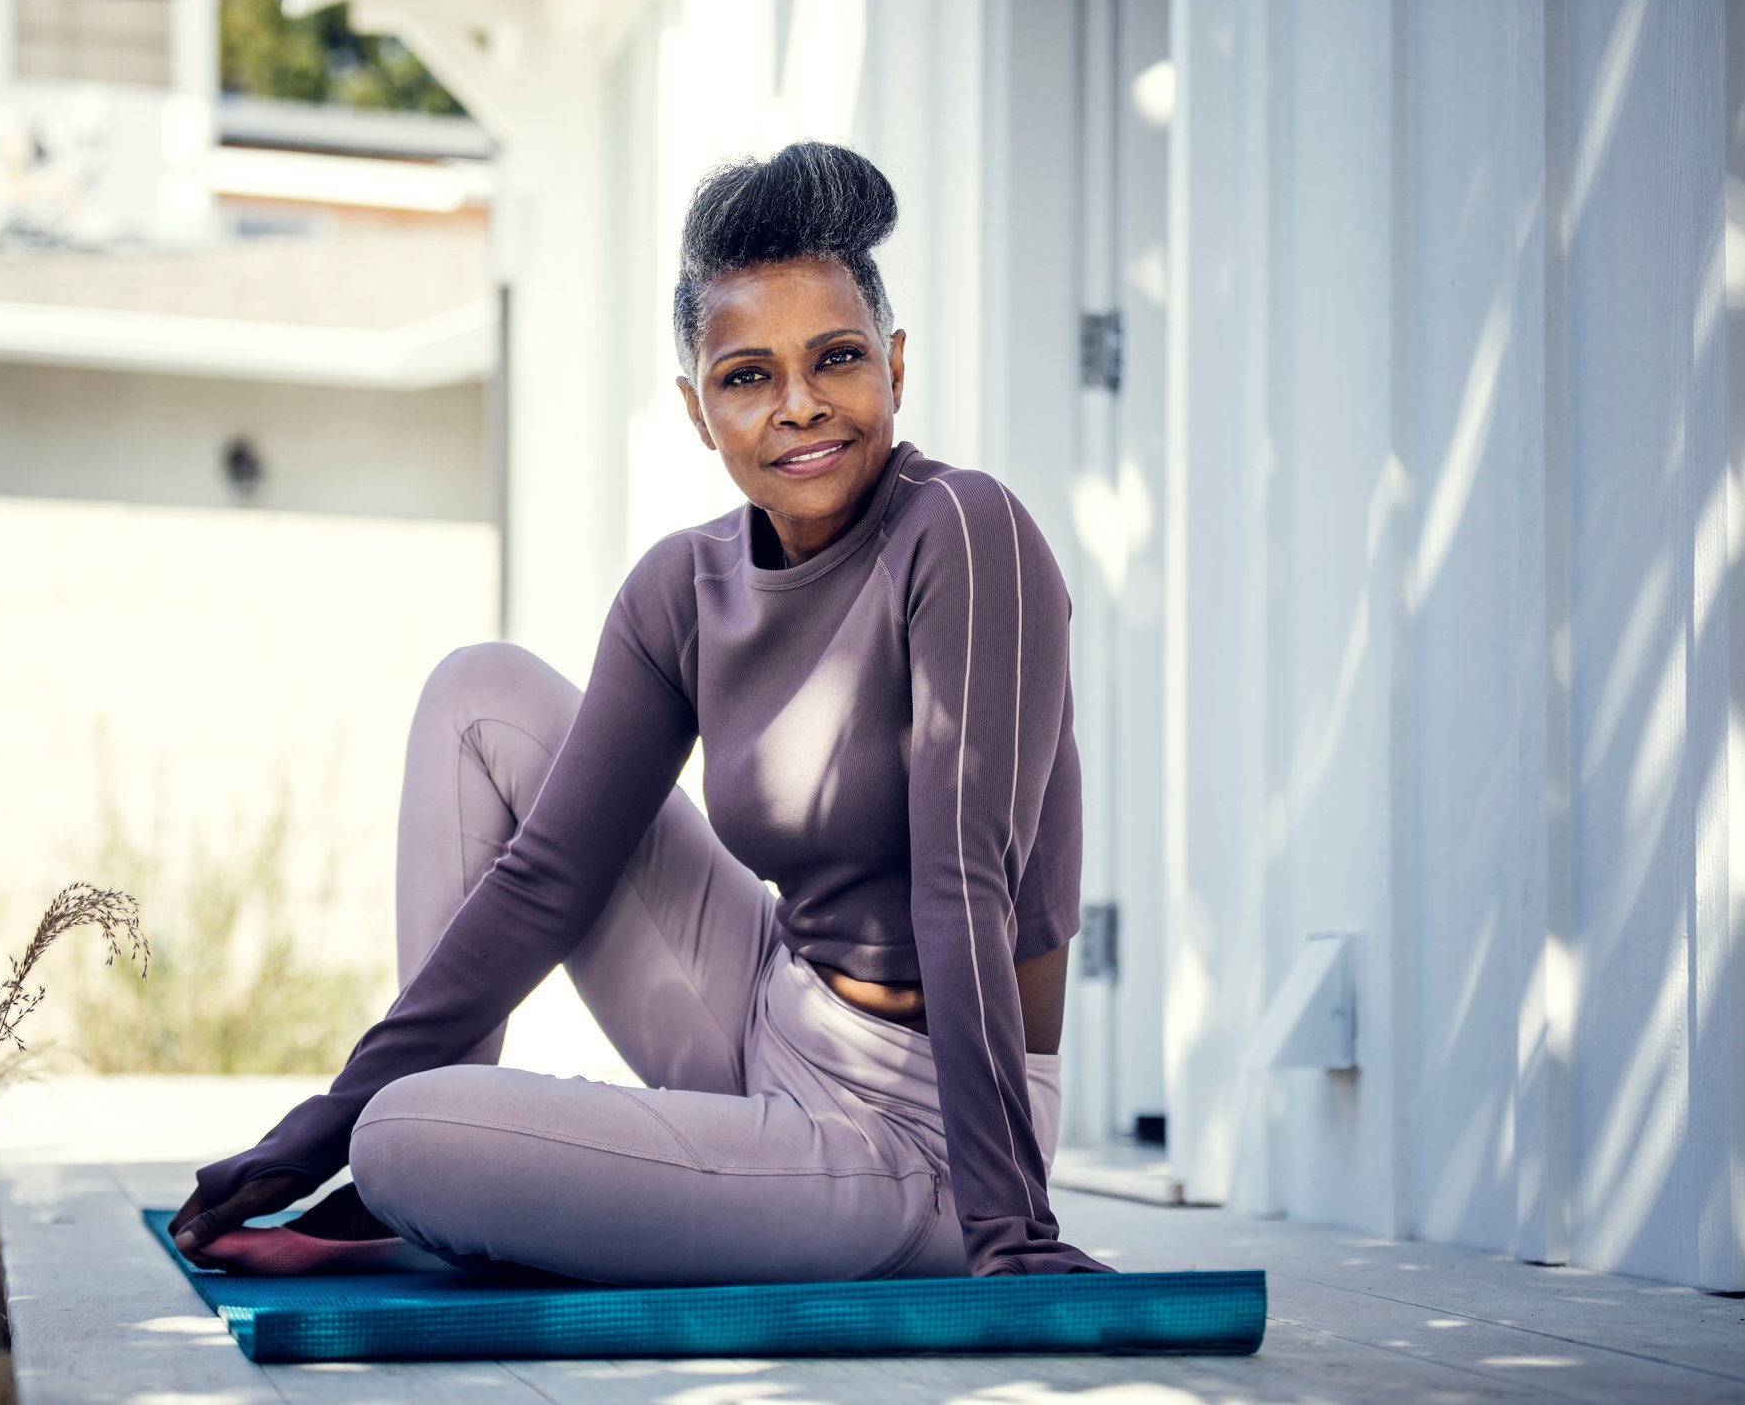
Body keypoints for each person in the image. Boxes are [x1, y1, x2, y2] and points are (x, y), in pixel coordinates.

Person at [168, 140, 1112, 1282]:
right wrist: (321, 1124)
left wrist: (1011, 1232)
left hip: (924, 1133)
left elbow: (966, 885)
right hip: (765, 1015)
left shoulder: (962, 532)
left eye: (838, 358)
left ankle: (426, 1167)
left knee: (410, 1136)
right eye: (748, 377)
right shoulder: (686, 587)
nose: (800, 405)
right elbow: (546, 876)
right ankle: (395, 1181)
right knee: (480, 697)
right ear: (697, 410)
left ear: (895, 366)